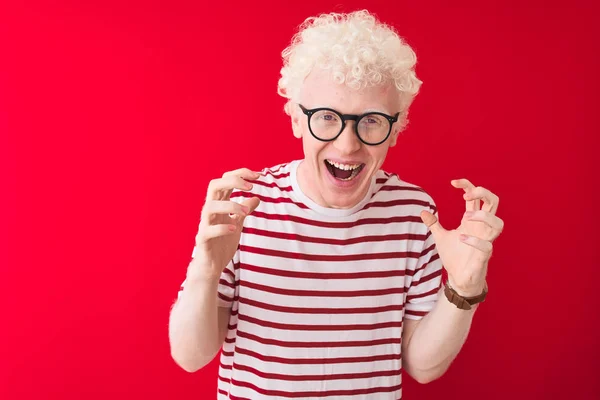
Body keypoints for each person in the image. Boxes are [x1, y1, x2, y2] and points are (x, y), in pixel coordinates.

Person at [168, 9, 504, 399]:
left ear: (396, 128)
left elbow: (423, 367)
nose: (348, 145)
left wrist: (464, 288)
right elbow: (191, 356)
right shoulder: (246, 207)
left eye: (373, 120)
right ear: (295, 118)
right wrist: (205, 271)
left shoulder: (415, 214)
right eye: (327, 117)